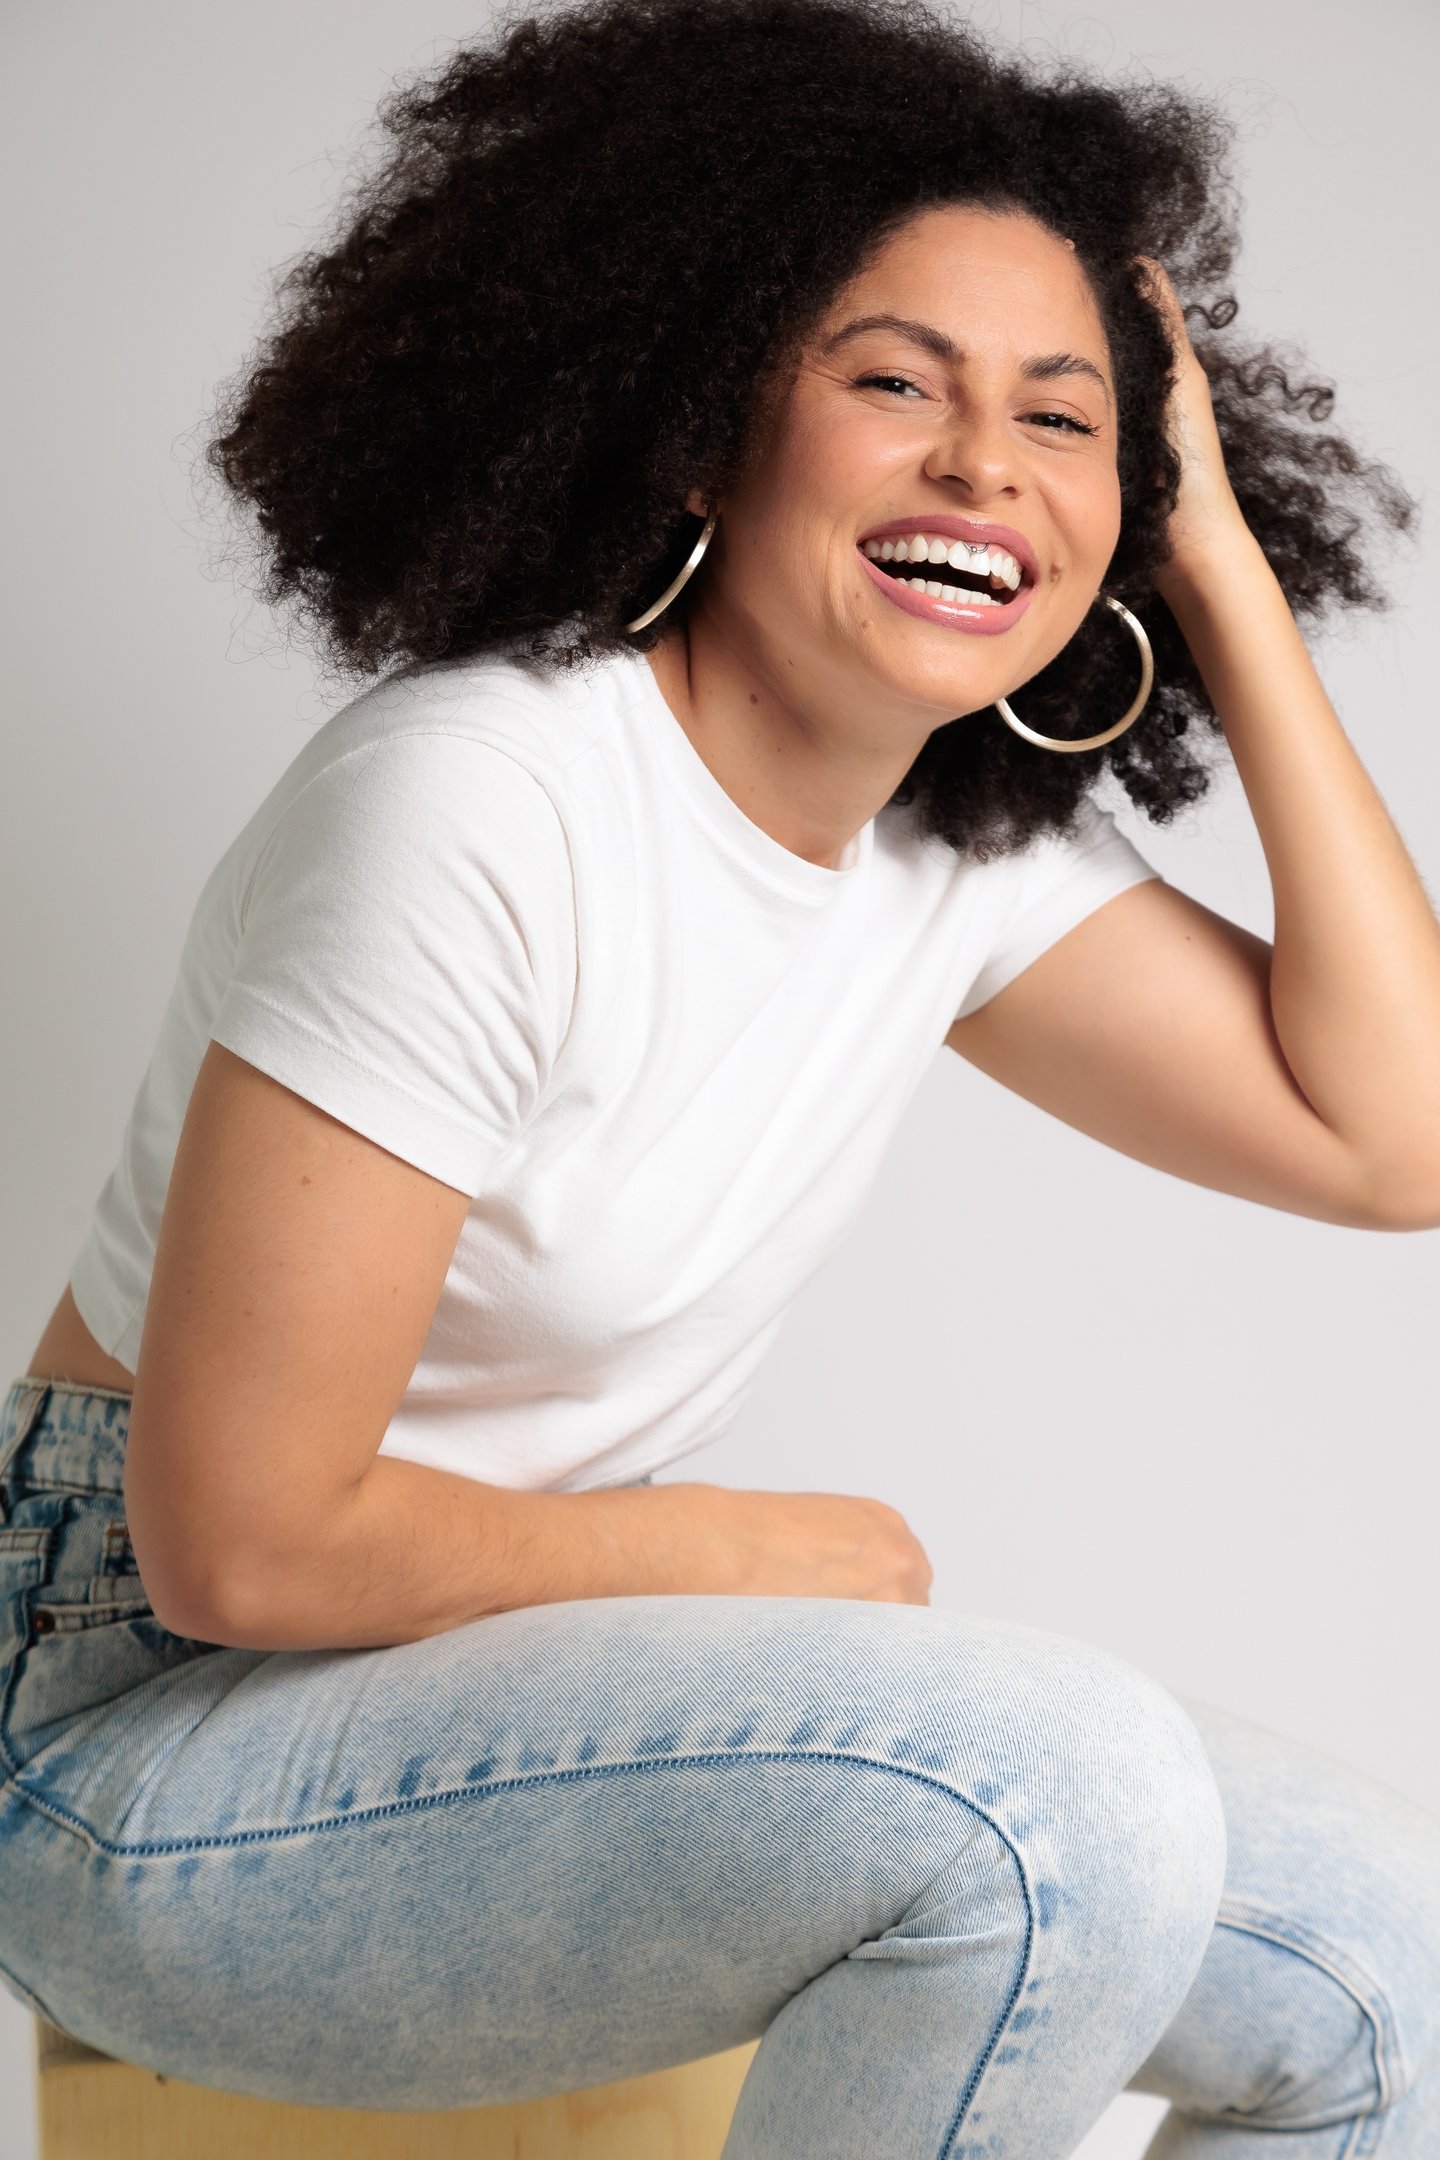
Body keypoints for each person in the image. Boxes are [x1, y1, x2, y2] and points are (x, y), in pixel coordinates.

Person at [3, 0, 1438, 2151]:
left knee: (1393, 1977)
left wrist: (1217, 568)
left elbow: (1393, 1136)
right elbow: (244, 1543)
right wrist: (743, 1548)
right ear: (702, 420)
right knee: (1053, 1804)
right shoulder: (481, 805)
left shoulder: (960, 848)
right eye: (895, 384)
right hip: (144, 1755)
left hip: (507, 1699)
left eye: (1064, 422)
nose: (986, 468)